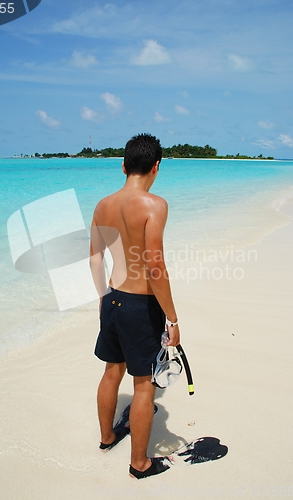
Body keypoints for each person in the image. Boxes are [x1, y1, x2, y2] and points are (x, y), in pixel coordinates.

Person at [90, 133, 180, 479]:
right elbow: (155, 266)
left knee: (112, 370)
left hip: (112, 298)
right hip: (140, 306)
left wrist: (103, 300)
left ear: (124, 165)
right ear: (156, 166)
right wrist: (172, 318)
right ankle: (139, 464)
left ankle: (106, 436)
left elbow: (95, 259)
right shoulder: (155, 205)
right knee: (144, 384)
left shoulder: (103, 205)